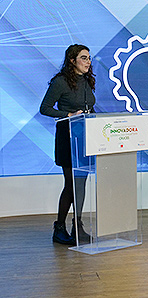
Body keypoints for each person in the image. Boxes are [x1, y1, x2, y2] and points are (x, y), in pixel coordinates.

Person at [40, 44, 95, 245]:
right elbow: (45, 108)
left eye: (89, 58)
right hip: (68, 137)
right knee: (71, 184)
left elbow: (89, 108)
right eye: (83, 58)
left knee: (81, 183)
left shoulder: (87, 80)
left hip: (86, 137)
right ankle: (59, 228)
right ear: (72, 60)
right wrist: (68, 115)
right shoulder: (61, 82)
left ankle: (77, 226)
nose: (88, 61)